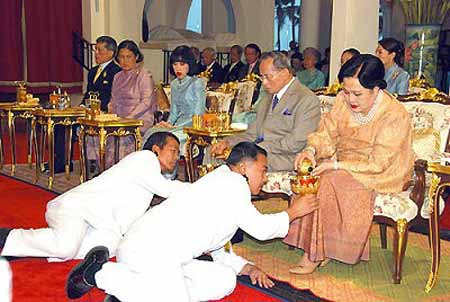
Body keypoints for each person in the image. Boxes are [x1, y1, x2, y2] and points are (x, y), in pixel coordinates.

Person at [65, 142, 320, 302]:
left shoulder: (222, 182)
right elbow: (262, 229)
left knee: (224, 280)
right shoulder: (233, 184)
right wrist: (294, 212)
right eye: (263, 170)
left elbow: (216, 244)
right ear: (243, 167)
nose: (264, 178)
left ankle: (133, 292)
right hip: (148, 251)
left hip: (169, 257)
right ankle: (99, 274)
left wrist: (247, 268)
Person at [285, 54, 414, 274]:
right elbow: (327, 132)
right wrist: (311, 150)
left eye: (357, 94)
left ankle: (314, 254)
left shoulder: (394, 114)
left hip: (381, 171)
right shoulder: (343, 101)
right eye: (346, 91)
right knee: (311, 174)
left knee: (330, 181)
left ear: (376, 89)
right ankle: (320, 246)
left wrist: (336, 166)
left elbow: (380, 163)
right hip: (344, 161)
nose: (350, 99)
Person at [0, 132, 188, 261]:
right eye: (173, 150)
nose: (176, 156)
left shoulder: (151, 172)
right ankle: (8, 237)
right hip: (75, 209)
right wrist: (198, 189)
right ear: (156, 149)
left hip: (99, 221)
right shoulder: (144, 158)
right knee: (66, 247)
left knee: (112, 246)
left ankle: (34, 246)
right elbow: (167, 189)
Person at [211, 51, 321, 172]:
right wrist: (227, 142)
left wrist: (256, 149)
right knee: (213, 151)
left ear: (284, 73)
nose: (263, 82)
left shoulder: (306, 99)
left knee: (239, 161)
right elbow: (253, 132)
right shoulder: (268, 97)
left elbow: (296, 142)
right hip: (259, 152)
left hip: (284, 157)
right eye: (261, 77)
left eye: (267, 77)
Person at [47, 36, 121, 174]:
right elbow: (88, 93)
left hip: (103, 112)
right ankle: (61, 161)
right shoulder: (93, 71)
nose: (96, 54)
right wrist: (81, 106)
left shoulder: (116, 72)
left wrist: (94, 108)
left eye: (99, 50)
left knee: (68, 125)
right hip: (87, 110)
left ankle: (80, 162)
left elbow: (111, 96)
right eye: (95, 50)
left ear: (111, 53)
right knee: (60, 123)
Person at [87, 40, 157, 170]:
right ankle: (104, 170)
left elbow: (146, 102)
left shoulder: (144, 75)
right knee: (95, 133)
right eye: (121, 57)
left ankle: (120, 171)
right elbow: (113, 100)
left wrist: (129, 117)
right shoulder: (118, 76)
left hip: (139, 119)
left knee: (119, 137)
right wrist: (110, 115)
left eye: (128, 57)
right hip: (119, 117)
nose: (124, 61)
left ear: (136, 57)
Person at [143, 45, 206, 156]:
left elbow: (198, 114)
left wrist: (176, 127)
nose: (178, 68)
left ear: (189, 65)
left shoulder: (197, 83)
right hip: (177, 125)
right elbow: (174, 111)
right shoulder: (174, 84)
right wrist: (168, 123)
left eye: (182, 64)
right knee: (151, 132)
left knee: (167, 140)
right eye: (175, 64)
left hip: (193, 126)